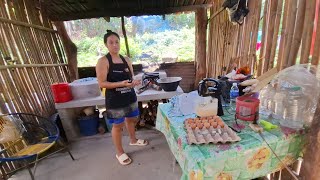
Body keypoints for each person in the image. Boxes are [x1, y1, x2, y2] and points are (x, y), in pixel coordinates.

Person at [96, 30, 148, 166]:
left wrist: (135, 82)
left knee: (131, 119)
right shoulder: (103, 61)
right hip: (115, 100)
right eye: (111, 42)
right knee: (118, 125)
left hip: (130, 96)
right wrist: (121, 84)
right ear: (106, 45)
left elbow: (130, 78)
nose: (115, 45)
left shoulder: (127, 60)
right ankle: (119, 152)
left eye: (117, 42)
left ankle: (133, 139)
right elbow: (102, 83)